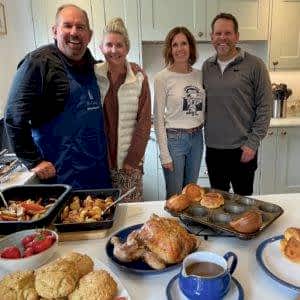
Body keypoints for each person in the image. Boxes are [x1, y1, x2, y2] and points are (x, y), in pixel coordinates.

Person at [4, 4, 111, 189]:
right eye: (67, 26)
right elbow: (14, 117)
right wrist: (34, 161)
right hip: (61, 176)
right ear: (55, 31)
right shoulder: (37, 64)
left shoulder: (93, 67)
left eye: (80, 27)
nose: (74, 32)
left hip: (97, 173)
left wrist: (127, 68)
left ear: (89, 35)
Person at [202, 13, 273, 196]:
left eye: (228, 33)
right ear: (212, 37)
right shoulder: (206, 67)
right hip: (214, 150)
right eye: (218, 33)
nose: (222, 38)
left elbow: (265, 107)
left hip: (243, 149)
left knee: (244, 203)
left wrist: (252, 143)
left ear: (237, 36)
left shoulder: (255, 65)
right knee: (216, 203)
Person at [94, 18, 151, 202]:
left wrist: (132, 161)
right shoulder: (92, 74)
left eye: (119, 45)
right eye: (109, 44)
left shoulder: (139, 78)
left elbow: (144, 122)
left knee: (131, 216)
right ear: (101, 47)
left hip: (129, 165)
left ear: (127, 48)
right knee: (102, 216)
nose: (114, 50)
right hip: (100, 163)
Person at [154, 27, 206, 199]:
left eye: (184, 43)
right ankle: (172, 226)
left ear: (190, 47)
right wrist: (164, 154)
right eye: (175, 44)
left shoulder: (200, 75)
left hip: (197, 138)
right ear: (170, 49)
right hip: (174, 140)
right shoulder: (162, 78)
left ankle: (187, 227)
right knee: (175, 196)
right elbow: (158, 119)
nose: (179, 48)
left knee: (191, 193)